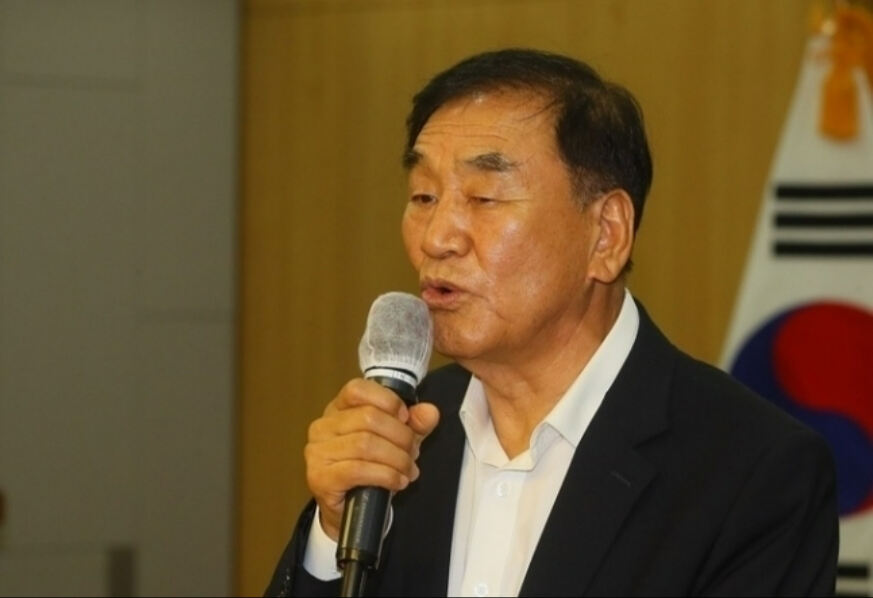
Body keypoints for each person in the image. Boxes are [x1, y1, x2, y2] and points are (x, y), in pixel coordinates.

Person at [266, 48, 838, 597]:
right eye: (423, 196)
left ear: (606, 234)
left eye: (484, 198)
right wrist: (332, 535)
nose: (436, 238)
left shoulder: (753, 472)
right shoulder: (400, 441)